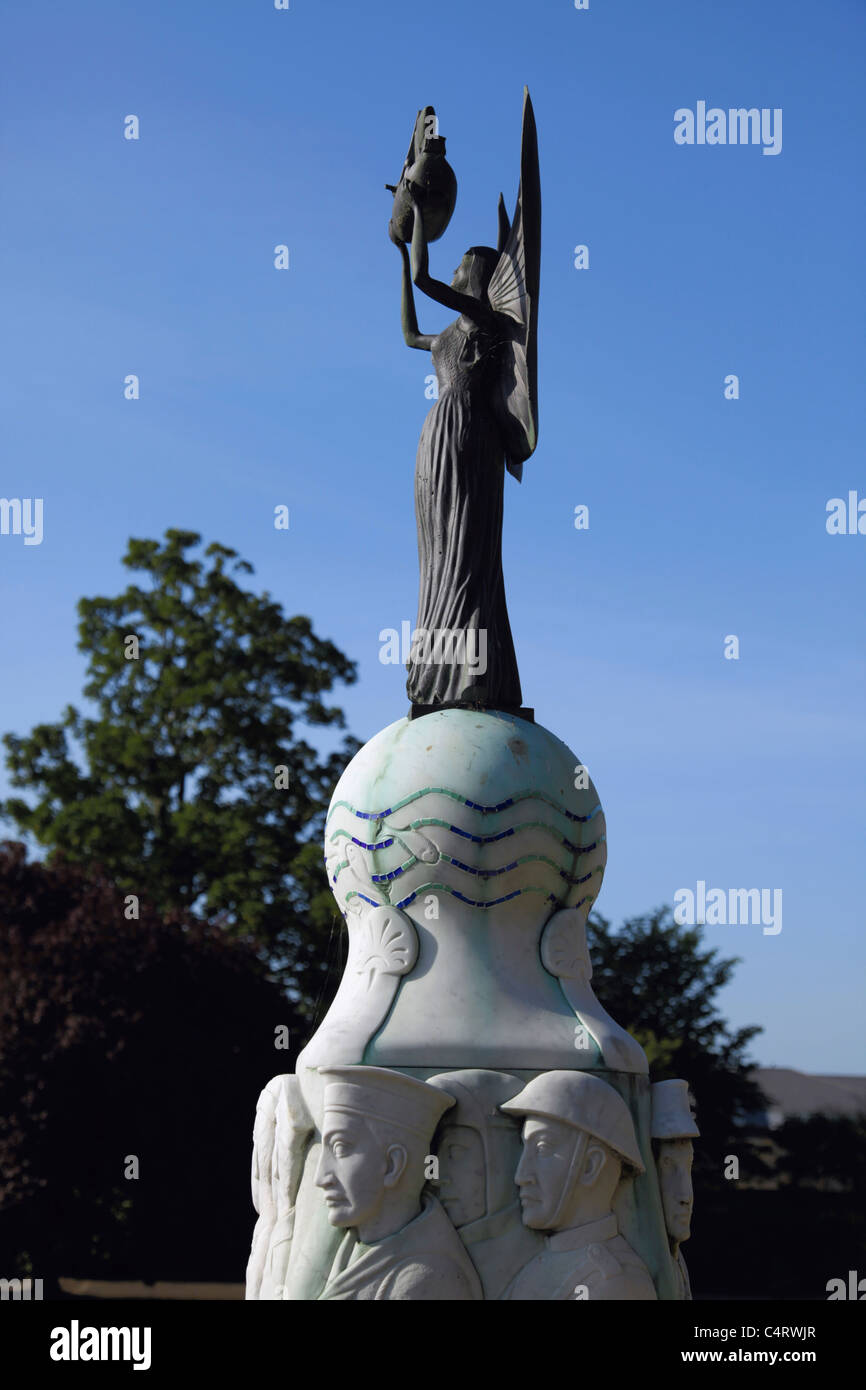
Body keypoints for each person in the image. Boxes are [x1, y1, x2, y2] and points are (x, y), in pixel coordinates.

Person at [315, 1065, 482, 1300]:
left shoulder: (426, 1281)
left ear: (393, 1165)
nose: (320, 1178)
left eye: (341, 1148)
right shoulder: (347, 1249)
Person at [500, 1071, 656, 1300]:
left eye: (543, 1148)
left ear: (590, 1166)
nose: (521, 1175)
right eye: (525, 1148)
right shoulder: (539, 1266)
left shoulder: (613, 1284)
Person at [427, 1070, 542, 1298]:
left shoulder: (557, 1273)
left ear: (503, 1151)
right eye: (432, 1158)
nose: (437, 1178)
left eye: (456, 1153)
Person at [651, 1079, 699, 1300]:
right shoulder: (629, 1271)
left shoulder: (676, 1262)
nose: (685, 1196)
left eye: (688, 1167)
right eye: (668, 1168)